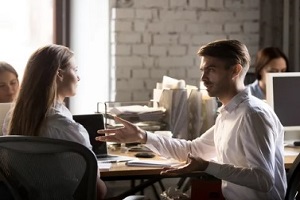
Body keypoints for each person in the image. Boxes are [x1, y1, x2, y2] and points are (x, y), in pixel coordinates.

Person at [97, 40, 287, 200]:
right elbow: (193, 150)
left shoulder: (252, 115)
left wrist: (207, 166)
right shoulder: (229, 113)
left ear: (235, 70)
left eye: (211, 70)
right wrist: (143, 136)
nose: (203, 78)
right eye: (203, 70)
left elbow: (263, 179)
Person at [3, 44, 107, 199]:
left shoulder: (12, 120)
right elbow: (97, 191)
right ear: (59, 73)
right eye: (75, 70)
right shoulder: (67, 128)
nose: (78, 77)